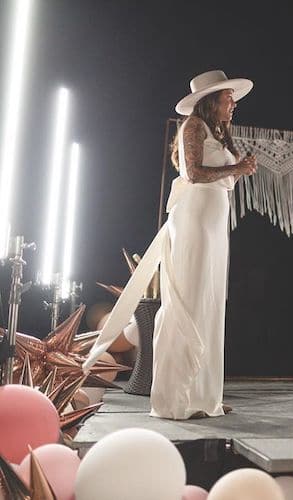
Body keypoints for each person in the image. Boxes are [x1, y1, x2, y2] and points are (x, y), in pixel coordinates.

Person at [82, 70, 257, 420]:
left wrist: (238, 168)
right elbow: (193, 174)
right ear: (212, 100)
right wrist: (236, 167)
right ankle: (174, 398)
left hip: (213, 224)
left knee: (208, 304)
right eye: (227, 98)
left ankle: (204, 396)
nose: (233, 104)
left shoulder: (219, 132)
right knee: (190, 302)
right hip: (193, 222)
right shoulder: (193, 126)